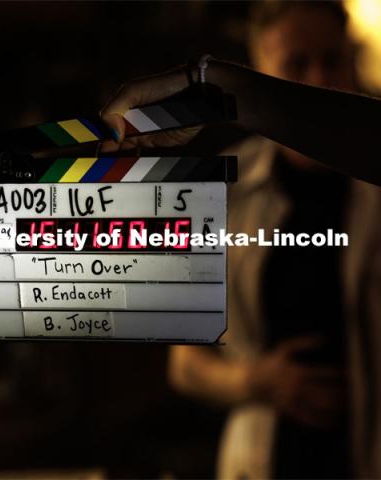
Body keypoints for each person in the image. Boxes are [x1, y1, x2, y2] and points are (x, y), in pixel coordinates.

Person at [101, 2, 381, 479]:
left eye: (332, 59)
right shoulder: (221, 191)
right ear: (265, 68)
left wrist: (222, 88)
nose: (319, 78)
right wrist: (255, 380)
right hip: (264, 461)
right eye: (295, 66)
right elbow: (184, 364)